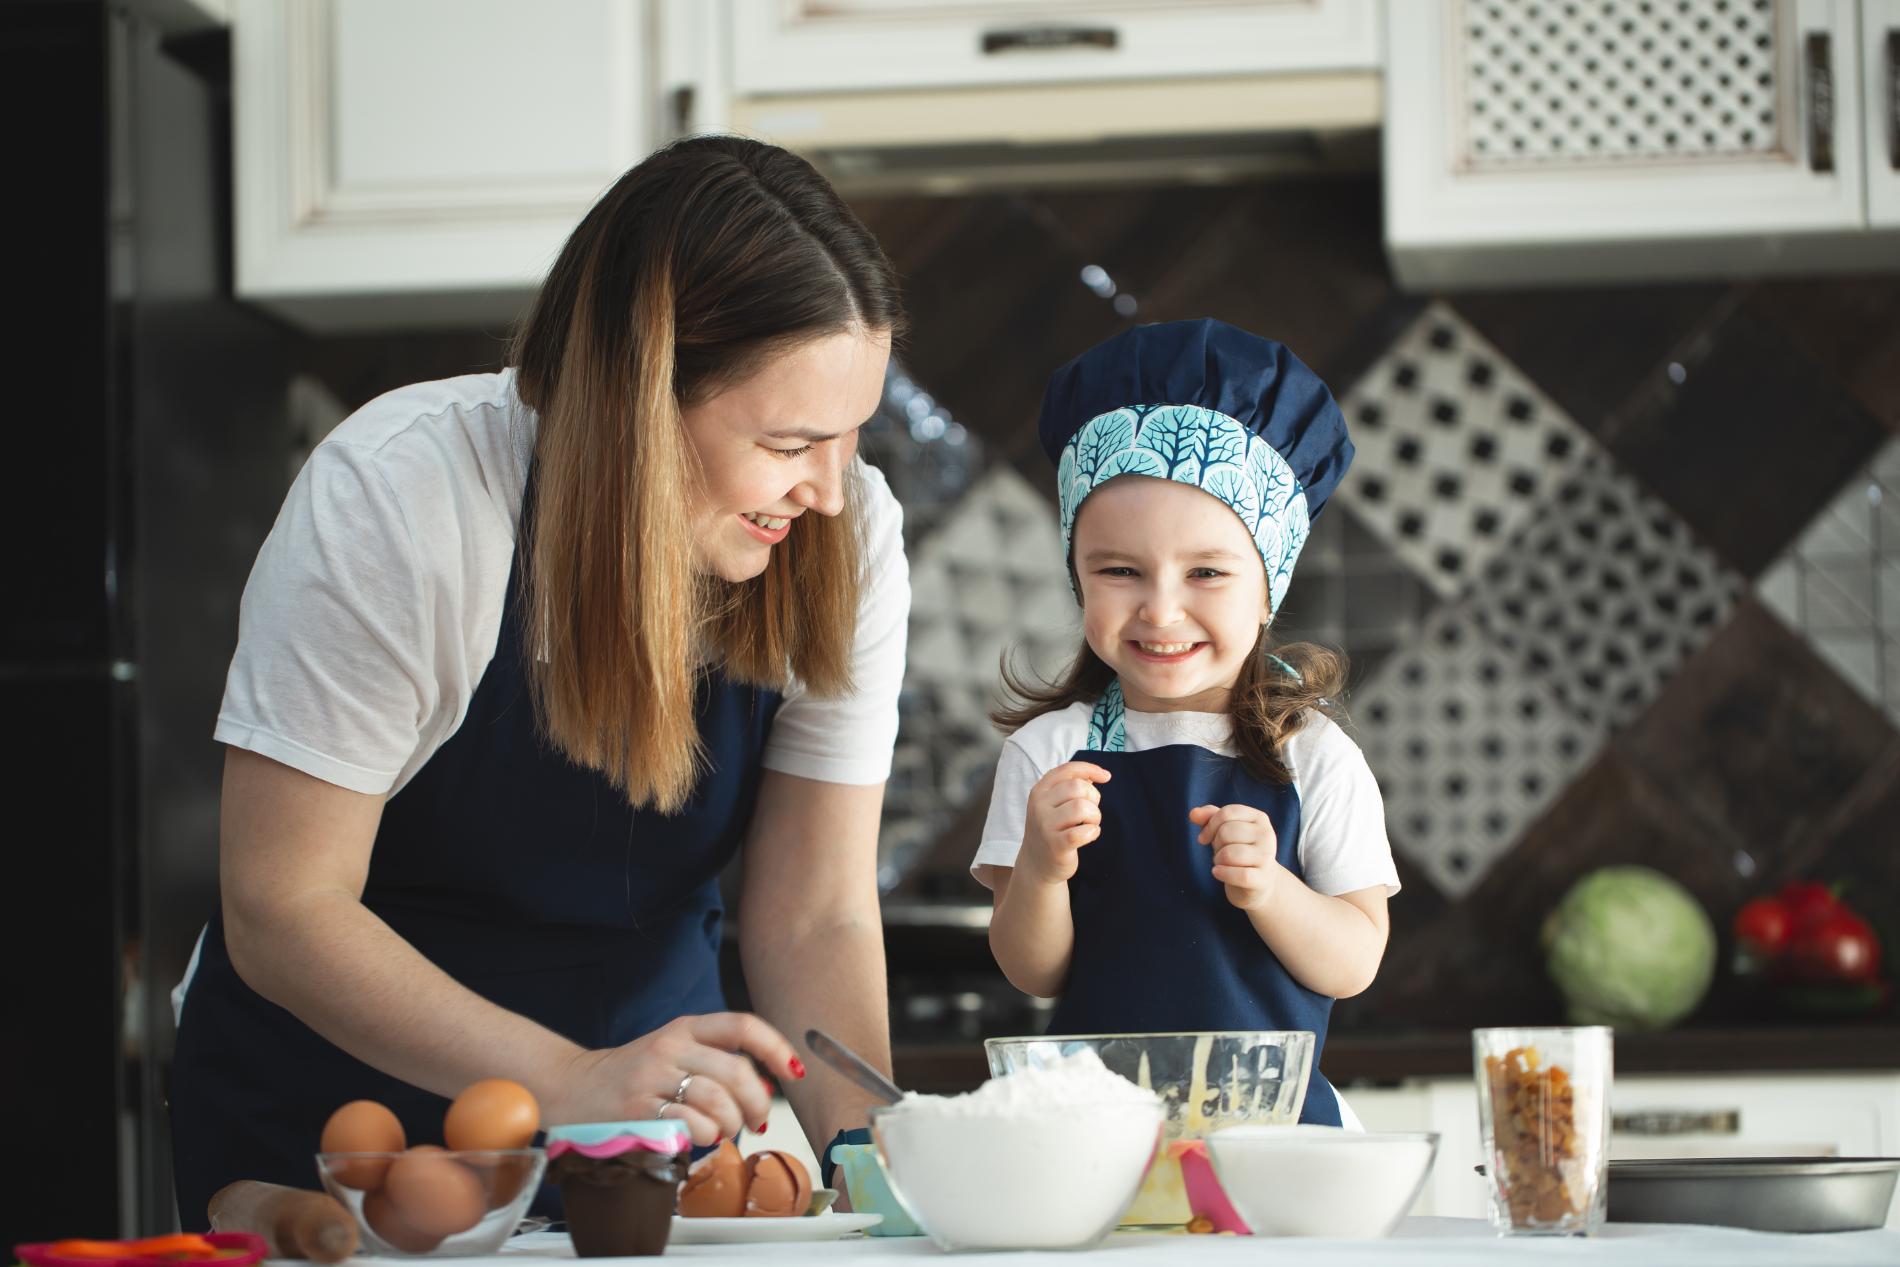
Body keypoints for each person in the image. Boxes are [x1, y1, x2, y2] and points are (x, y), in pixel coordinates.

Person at [169, 135, 909, 1222]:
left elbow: (812, 918)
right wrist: (567, 1080)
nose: (830, 493)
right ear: (638, 400)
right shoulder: (404, 498)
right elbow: (283, 906)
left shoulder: (850, 539)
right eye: (792, 441)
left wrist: (884, 1166)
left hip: (651, 1152)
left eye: (850, 439)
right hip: (337, 1142)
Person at [974, 319, 1399, 1126]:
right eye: (1119, 570)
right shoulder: (1047, 753)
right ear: (1077, 576)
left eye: (1207, 571)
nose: (1161, 608)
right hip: (1096, 1148)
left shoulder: (1314, 759)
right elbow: (1034, 970)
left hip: (1278, 1144)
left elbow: (1354, 960)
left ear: (1267, 588)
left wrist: (1270, 888)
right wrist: (1039, 865)